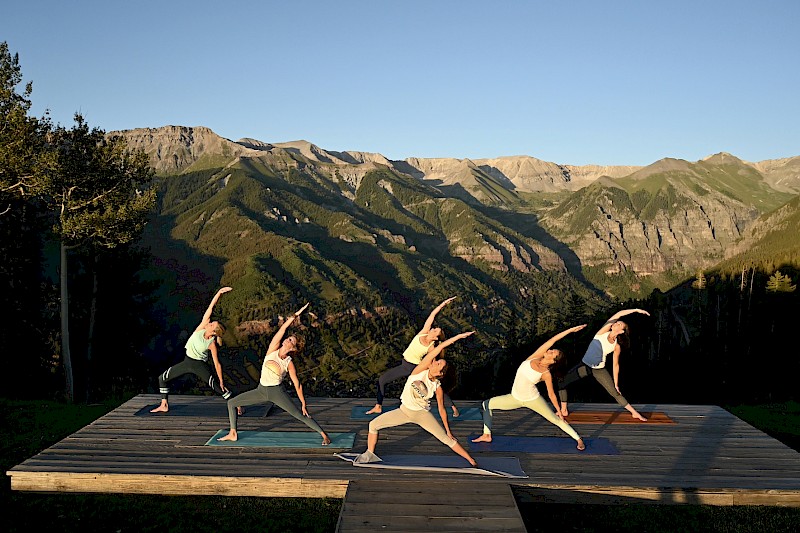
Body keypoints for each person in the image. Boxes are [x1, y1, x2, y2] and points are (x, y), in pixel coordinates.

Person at [355, 330, 478, 466]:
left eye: (439, 365)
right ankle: (370, 454)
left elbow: (442, 410)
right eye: (436, 362)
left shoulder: (437, 387)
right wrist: (459, 336)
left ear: (440, 373)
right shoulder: (419, 370)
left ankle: (471, 460)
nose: (435, 362)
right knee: (373, 425)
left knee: (447, 439)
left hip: (422, 415)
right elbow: (439, 348)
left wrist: (449, 431)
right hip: (403, 411)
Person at [218, 303, 331, 445]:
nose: (287, 339)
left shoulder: (288, 363)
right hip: (261, 390)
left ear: (293, 348)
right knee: (231, 403)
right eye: (289, 338)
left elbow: (297, 384)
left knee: (298, 414)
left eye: (291, 341)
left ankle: (324, 434)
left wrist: (303, 403)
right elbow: (283, 329)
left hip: (277, 392)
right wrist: (296, 315)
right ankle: (233, 433)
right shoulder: (272, 349)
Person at [472, 325, 587, 450]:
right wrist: (571, 330)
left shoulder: (546, 374)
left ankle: (578, 439)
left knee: (556, 420)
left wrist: (559, 412)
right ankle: (486, 435)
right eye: (553, 349)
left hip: (533, 400)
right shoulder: (536, 356)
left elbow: (551, 394)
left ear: (554, 361)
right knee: (486, 404)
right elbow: (552, 340)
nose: (551, 350)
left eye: (554, 352)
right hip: (514, 398)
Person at [366, 296, 459, 416]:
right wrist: (443, 304)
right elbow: (432, 316)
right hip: (405, 364)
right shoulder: (424, 332)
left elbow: (432, 359)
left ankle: (452, 406)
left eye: (436, 330)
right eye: (435, 328)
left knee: (435, 385)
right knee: (382, 380)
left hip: (412, 367)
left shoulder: (431, 346)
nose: (433, 328)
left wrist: (434, 369)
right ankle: (378, 406)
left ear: (435, 337)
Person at [151, 287, 234, 413]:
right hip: (187, 362)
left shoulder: (211, 344)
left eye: (212, 325)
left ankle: (236, 405)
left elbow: (217, 364)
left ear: (213, 332)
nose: (210, 323)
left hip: (199, 365)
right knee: (162, 378)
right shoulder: (202, 327)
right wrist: (218, 293)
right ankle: (164, 405)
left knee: (217, 387)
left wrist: (221, 380)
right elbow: (210, 309)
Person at [558, 308, 651, 421]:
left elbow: (615, 365)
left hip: (599, 369)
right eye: (616, 322)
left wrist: (616, 384)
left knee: (614, 392)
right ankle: (563, 410)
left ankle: (634, 413)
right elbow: (618, 314)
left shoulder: (616, 346)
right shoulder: (602, 332)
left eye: (619, 324)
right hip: (585, 366)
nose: (616, 323)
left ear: (621, 331)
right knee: (562, 382)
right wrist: (636, 310)